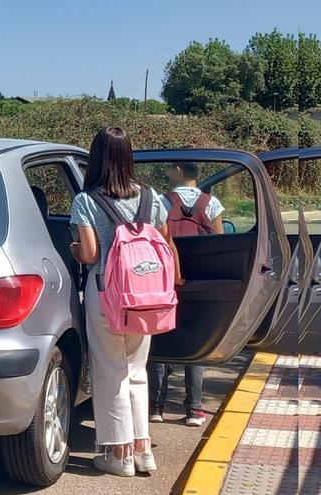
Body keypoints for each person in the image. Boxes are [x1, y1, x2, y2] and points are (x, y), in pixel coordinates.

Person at [69, 127, 183, 477]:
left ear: (97, 157)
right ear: (128, 156)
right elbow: (166, 244)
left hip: (107, 295)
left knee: (110, 372)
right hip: (147, 298)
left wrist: (73, 248)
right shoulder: (151, 197)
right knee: (135, 371)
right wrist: (175, 281)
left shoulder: (87, 201)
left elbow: (89, 254)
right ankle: (142, 450)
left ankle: (117, 456)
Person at [148, 161, 225, 427]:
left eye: (169, 168)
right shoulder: (212, 203)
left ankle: (156, 405)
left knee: (160, 341)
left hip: (167, 280)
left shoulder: (161, 201)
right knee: (196, 344)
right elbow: (220, 242)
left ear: (179, 171)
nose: (166, 171)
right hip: (198, 283)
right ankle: (194, 409)